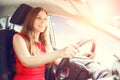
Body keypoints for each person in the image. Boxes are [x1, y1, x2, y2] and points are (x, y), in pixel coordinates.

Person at [12, 6, 81, 80]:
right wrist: (60, 52)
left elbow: (59, 62)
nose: (43, 22)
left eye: (45, 19)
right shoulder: (18, 37)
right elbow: (27, 61)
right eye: (38, 18)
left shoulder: (43, 43)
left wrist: (79, 56)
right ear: (30, 20)